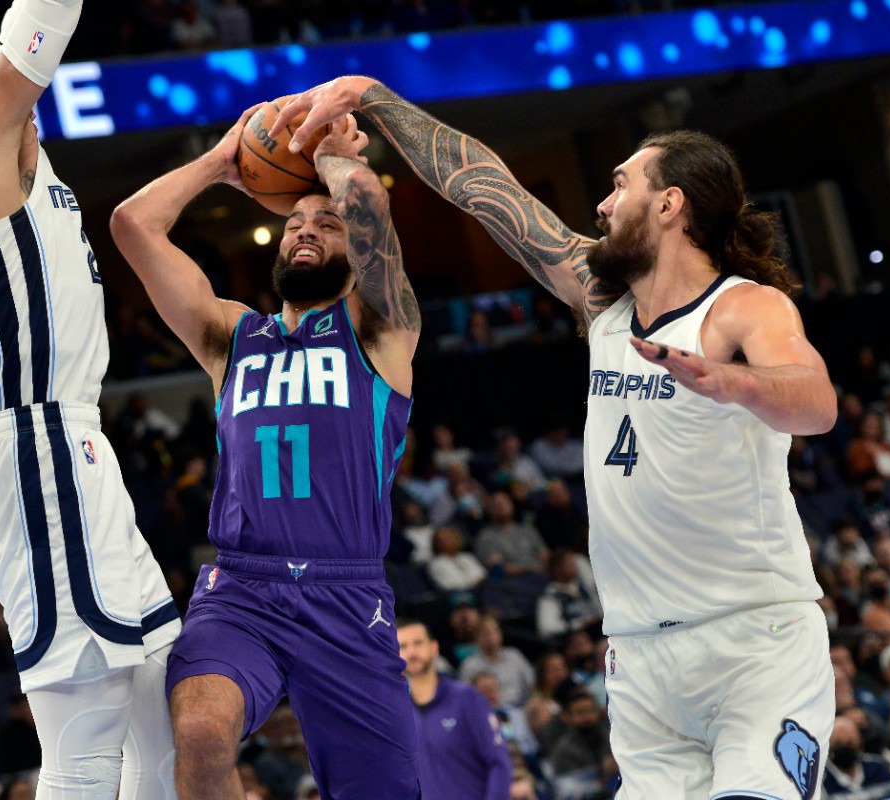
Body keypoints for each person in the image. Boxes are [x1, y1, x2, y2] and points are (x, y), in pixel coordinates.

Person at [276, 77, 837, 799]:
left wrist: (735, 383)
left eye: (620, 185)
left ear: (670, 205)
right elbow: (482, 186)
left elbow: (816, 402)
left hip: (752, 640)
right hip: (639, 655)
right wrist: (375, 97)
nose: (602, 204)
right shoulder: (602, 299)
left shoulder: (741, 307)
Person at [0, 3, 180, 797]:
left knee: (162, 714)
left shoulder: (17, 164)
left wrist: (223, 159)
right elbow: (39, 28)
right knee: (85, 745)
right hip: (34, 452)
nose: (24, 71)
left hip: (72, 450)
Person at [111, 109, 422, 799]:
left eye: (327, 222)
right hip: (243, 588)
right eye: (294, 221)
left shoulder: (379, 332)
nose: (306, 228)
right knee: (197, 732)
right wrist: (222, 160)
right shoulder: (232, 336)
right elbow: (133, 225)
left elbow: (374, 220)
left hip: (347, 595)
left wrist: (341, 160)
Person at [396, 619, 511, 800]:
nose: (411, 652)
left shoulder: (466, 698)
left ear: (434, 648)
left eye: (418, 643)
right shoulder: (397, 714)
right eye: (403, 646)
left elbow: (498, 763)